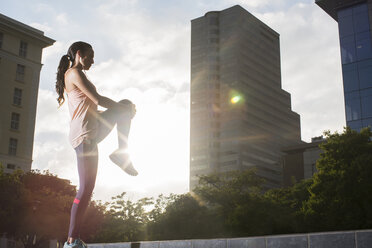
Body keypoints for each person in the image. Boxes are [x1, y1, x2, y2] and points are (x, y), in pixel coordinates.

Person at [55, 41, 138, 248]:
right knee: (85, 189)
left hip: (91, 131)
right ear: (79, 54)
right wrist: (121, 109)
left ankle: (121, 152)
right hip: (84, 136)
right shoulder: (74, 73)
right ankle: (71, 241)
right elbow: (98, 99)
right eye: (90, 56)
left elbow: (91, 109)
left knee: (124, 106)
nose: (93, 60)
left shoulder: (76, 74)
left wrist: (122, 111)